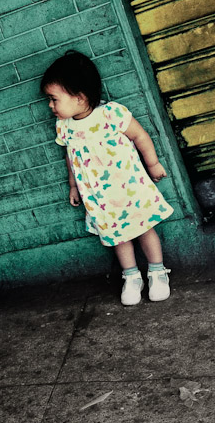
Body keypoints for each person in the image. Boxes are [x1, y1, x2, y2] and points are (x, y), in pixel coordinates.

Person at [41, 51, 174, 305]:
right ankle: (132, 276)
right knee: (118, 237)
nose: (50, 106)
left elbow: (140, 136)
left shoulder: (110, 114)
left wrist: (153, 163)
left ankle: (158, 271)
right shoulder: (65, 127)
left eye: (53, 99)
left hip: (130, 189)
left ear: (79, 98)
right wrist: (73, 186)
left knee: (145, 228)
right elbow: (70, 158)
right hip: (100, 197)